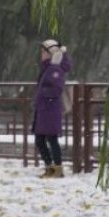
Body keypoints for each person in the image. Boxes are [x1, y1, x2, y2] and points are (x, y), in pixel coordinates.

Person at [32, 39, 73, 178]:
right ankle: (51, 168)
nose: (41, 54)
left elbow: (56, 89)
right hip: (45, 109)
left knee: (50, 139)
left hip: (49, 109)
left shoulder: (54, 69)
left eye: (43, 52)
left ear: (51, 53)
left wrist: (41, 92)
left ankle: (57, 169)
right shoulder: (48, 67)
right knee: (42, 139)